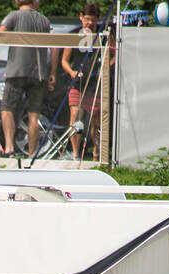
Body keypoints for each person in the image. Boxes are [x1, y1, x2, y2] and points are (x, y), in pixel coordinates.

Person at [0, 0, 54, 158]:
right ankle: (32, 154)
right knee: (34, 115)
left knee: (7, 109)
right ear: (34, 2)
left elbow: (1, 33)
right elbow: (55, 46)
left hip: (16, 71)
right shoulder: (44, 20)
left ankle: (9, 148)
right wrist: (52, 72)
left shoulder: (13, 16)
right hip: (39, 74)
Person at [61, 4, 103, 161]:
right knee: (75, 115)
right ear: (81, 17)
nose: (89, 23)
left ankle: (97, 154)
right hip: (77, 85)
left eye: (93, 20)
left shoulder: (102, 35)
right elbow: (64, 60)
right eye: (86, 19)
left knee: (96, 121)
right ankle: (75, 154)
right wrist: (72, 72)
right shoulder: (74, 35)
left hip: (95, 85)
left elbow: (112, 55)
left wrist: (105, 68)